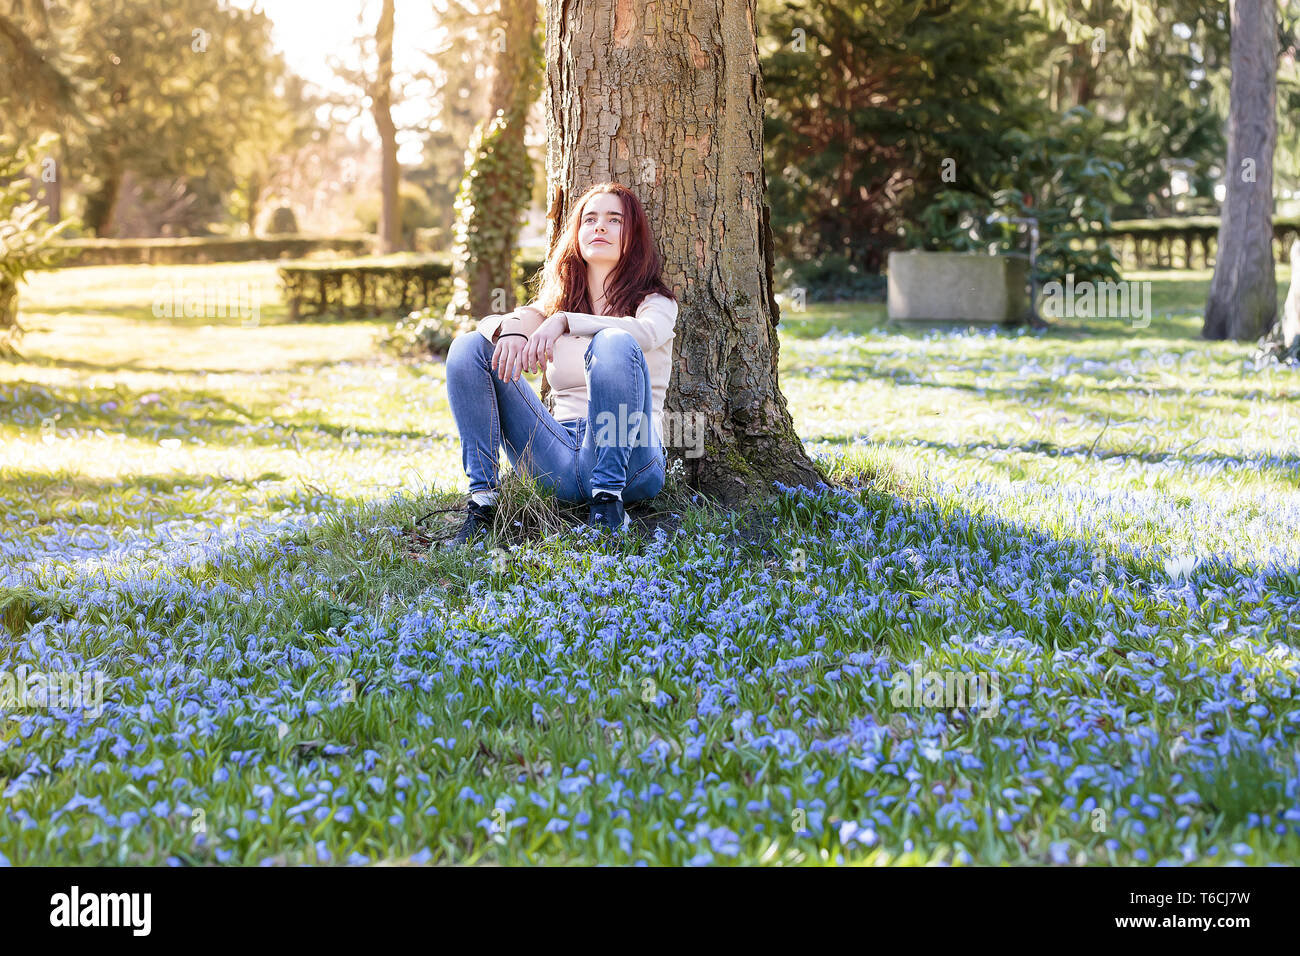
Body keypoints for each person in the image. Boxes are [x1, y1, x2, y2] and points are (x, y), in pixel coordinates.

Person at [443, 182, 677, 545]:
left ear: (633, 236)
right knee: (470, 347)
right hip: (559, 455)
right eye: (590, 219)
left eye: (614, 220)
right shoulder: (553, 306)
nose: (599, 227)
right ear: (577, 233)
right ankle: (483, 503)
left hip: (632, 456)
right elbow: (488, 325)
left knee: (612, 341)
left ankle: (609, 503)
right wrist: (512, 333)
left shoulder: (655, 302)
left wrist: (567, 321)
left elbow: (645, 333)